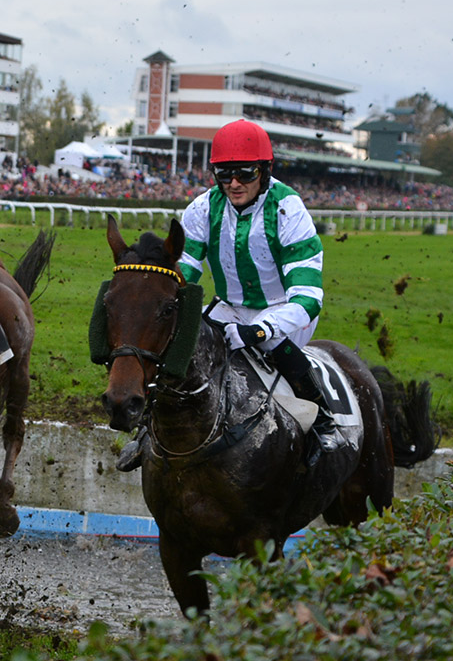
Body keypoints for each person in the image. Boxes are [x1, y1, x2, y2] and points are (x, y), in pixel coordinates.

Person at [117, 119, 338, 473]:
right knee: (179, 344)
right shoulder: (203, 208)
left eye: (245, 173)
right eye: (224, 174)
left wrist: (261, 329)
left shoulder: (288, 210)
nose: (234, 184)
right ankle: (147, 431)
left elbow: (308, 296)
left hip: (286, 311)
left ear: (265, 171)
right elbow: (183, 272)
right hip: (229, 308)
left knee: (267, 345)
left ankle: (324, 422)